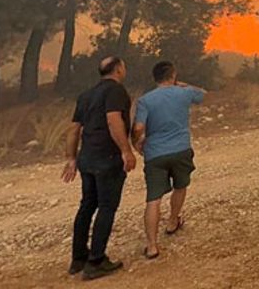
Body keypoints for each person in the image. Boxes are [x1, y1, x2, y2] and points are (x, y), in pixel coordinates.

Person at [63, 56, 134, 281]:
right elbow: (114, 120)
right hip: (108, 158)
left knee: (87, 205)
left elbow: (74, 129)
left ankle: (78, 258)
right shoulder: (116, 91)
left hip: (87, 158)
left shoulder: (86, 95)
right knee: (106, 207)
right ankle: (96, 261)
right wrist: (125, 150)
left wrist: (71, 158)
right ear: (119, 69)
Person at [132, 61, 205, 260]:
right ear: (172, 75)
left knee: (153, 198)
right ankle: (173, 221)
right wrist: (182, 85)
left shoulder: (145, 100)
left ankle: (152, 246)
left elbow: (138, 128)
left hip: (155, 154)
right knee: (181, 186)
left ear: (155, 78)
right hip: (181, 149)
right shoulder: (183, 92)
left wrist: (135, 143)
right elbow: (202, 94)